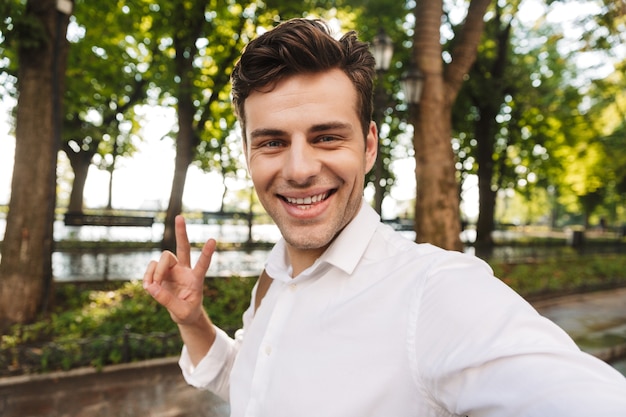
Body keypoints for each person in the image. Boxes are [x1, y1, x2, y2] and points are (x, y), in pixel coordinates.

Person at [143, 18, 626, 417]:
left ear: (369, 145)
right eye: (272, 141)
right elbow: (251, 379)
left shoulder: (434, 292)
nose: (300, 168)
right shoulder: (274, 279)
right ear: (248, 153)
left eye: (327, 137)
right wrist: (192, 320)